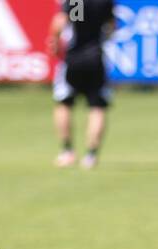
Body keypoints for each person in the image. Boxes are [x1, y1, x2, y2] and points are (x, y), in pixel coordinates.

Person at [47, 0, 116, 169]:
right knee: (97, 106)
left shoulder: (76, 1)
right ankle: (91, 156)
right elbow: (112, 26)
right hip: (96, 58)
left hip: (73, 58)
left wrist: (54, 41)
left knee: (64, 103)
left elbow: (62, 21)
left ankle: (67, 151)